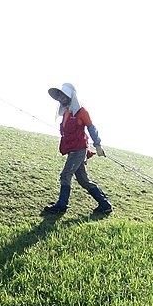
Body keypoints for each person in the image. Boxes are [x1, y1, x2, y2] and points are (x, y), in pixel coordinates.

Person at [42, 83, 112, 216]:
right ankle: (105, 204)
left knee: (65, 175)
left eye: (63, 96)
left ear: (70, 97)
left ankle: (61, 206)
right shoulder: (67, 112)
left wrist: (98, 145)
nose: (61, 99)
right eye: (59, 97)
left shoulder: (81, 112)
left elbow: (91, 128)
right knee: (83, 180)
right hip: (73, 149)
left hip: (79, 150)